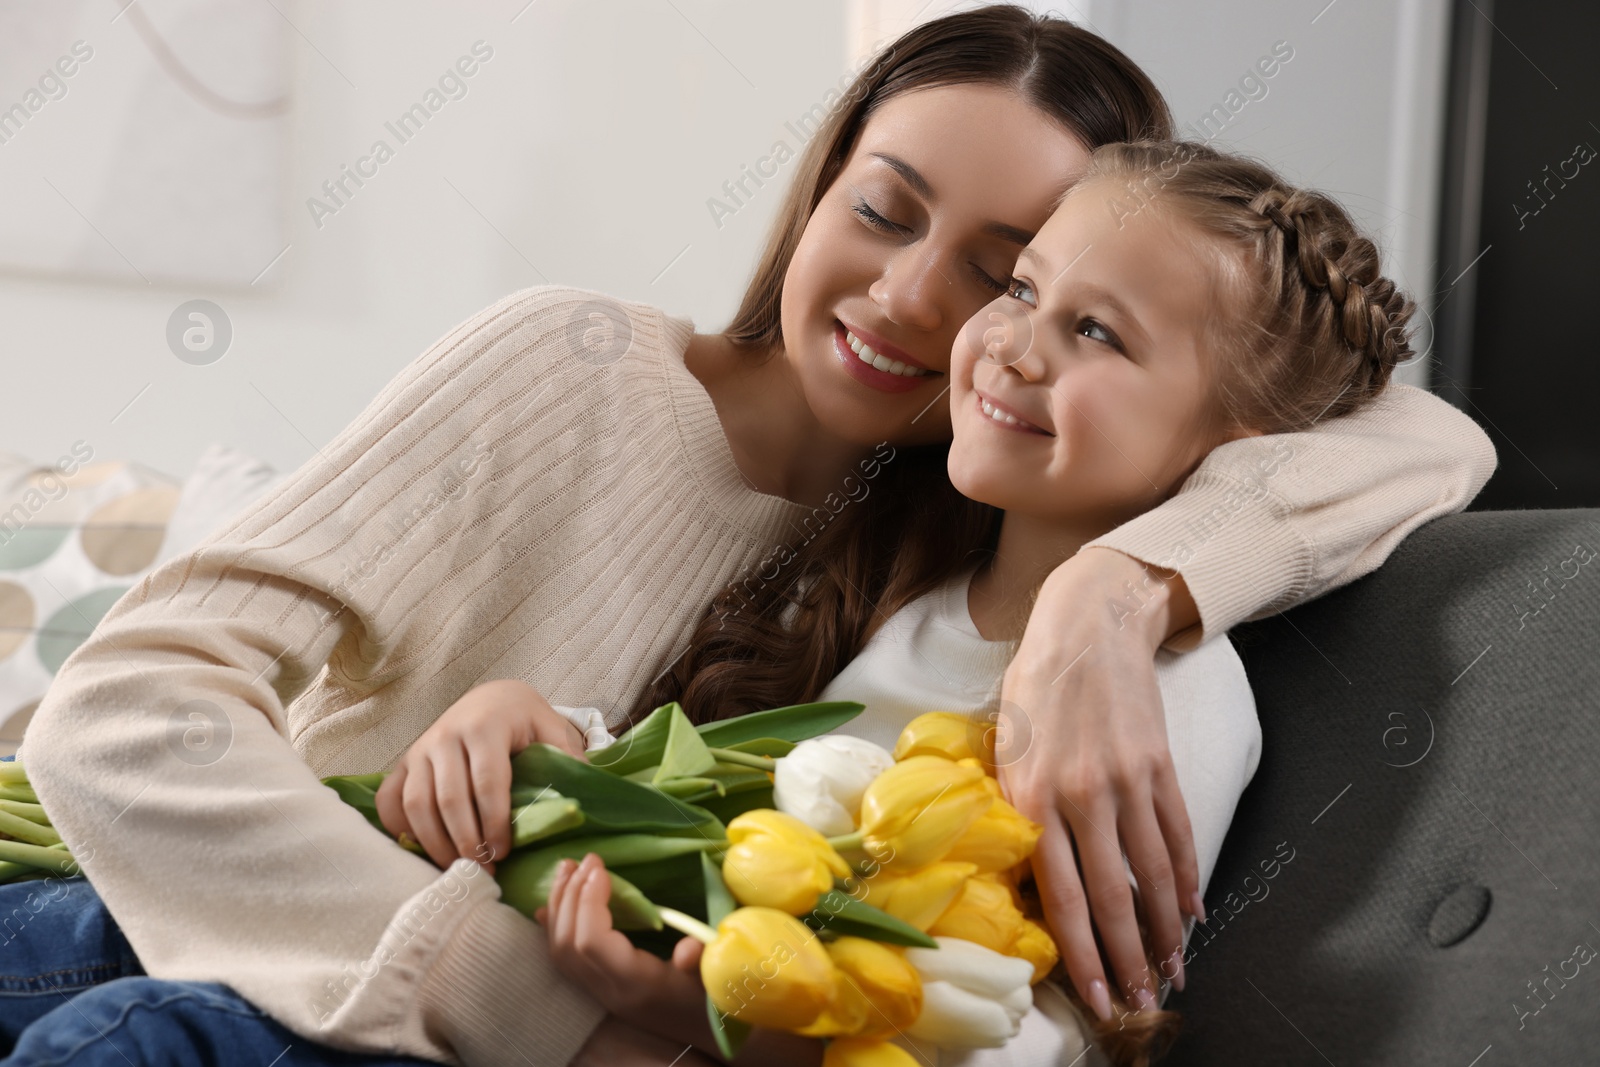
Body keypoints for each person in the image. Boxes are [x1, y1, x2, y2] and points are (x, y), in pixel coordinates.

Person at [4, 7, 1493, 1066]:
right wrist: (525, 784)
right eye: (887, 208)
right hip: (270, 900)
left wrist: (1121, 591)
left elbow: (1437, 436)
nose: (920, 301)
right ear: (819, 183)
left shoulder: (951, 543)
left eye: (1007, 270)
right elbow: (125, 712)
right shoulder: (573, 364)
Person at [514, 137, 1427, 1067]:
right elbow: (720, 785)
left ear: (1241, 445)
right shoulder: (903, 590)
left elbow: (1055, 1032)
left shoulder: (1167, 694)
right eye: (1023, 289)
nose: (1016, 347)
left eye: (1098, 332)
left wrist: (738, 1025)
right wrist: (552, 740)